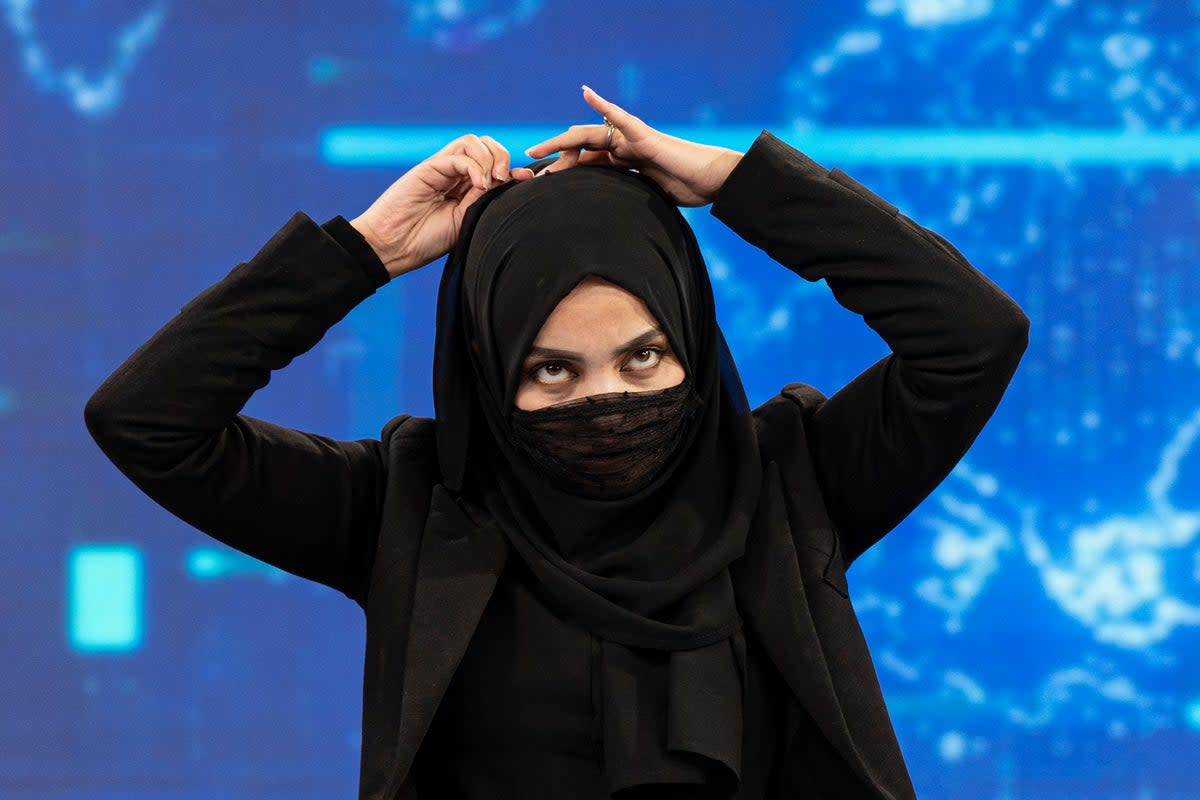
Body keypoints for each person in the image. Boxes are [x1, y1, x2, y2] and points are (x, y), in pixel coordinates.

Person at [85, 85, 1029, 799]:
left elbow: (973, 335)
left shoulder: (792, 480)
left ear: (690, 345)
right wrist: (365, 251)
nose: (605, 401)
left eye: (644, 357)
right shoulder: (407, 507)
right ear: (491, 375)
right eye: (551, 372)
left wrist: (742, 183)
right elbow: (149, 420)